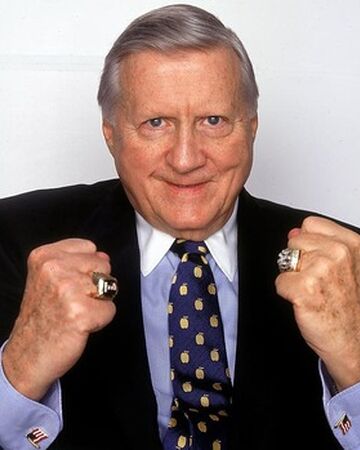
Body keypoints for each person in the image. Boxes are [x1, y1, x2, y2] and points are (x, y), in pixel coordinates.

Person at [0, 4, 359, 450]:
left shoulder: (347, 260)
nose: (186, 159)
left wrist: (355, 357)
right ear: (111, 134)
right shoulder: (12, 239)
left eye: (214, 121)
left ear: (251, 127)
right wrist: (21, 367)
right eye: (156, 123)